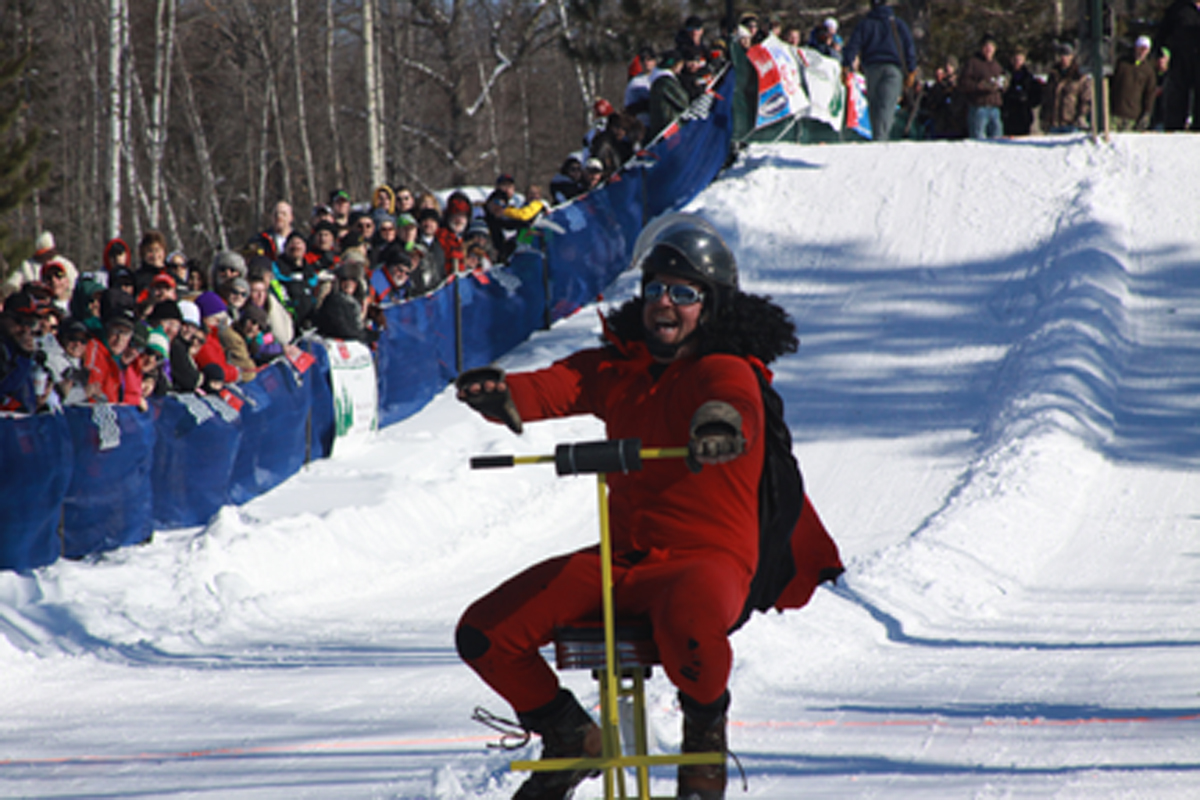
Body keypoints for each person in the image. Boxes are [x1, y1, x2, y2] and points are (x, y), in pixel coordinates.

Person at [454, 214, 841, 800]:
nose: (666, 302)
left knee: (689, 621)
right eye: (657, 287)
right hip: (625, 558)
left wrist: (718, 425)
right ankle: (570, 736)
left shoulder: (724, 367)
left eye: (684, 293)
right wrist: (504, 395)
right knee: (486, 633)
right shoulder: (622, 368)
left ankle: (704, 731)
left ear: (711, 306)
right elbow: (560, 384)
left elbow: (732, 399)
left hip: (707, 560)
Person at [842, 0, 917, 143]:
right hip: (893, 69)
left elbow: (853, 45)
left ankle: (877, 139)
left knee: (875, 105)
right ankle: (880, 141)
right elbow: (909, 47)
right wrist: (911, 69)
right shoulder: (898, 24)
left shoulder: (865, 24)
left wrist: (846, 65)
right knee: (887, 106)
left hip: (872, 69)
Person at [1154, 0, 1200, 131]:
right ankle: (1174, 134)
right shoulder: (1178, 9)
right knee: (1176, 102)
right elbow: (1161, 35)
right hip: (1180, 61)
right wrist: (1162, 54)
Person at [959, 33, 1005, 139]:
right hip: (979, 107)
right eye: (986, 46)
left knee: (998, 140)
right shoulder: (973, 63)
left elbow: (1004, 81)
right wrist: (978, 86)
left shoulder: (997, 65)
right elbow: (963, 83)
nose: (989, 50)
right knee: (978, 140)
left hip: (995, 108)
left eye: (991, 47)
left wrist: (1003, 84)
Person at [1110, 36, 1159, 132]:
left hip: (1133, 117)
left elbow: (1150, 94)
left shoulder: (1149, 71)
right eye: (1140, 48)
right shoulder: (1121, 63)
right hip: (1115, 113)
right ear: (1135, 47)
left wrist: (1147, 113)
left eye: (1145, 49)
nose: (1142, 52)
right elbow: (1110, 84)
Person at [1041, 42, 1092, 133]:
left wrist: (1081, 116)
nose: (1064, 58)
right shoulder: (1053, 75)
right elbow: (1047, 98)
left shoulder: (1079, 76)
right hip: (1054, 123)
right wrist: (1044, 117)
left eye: (1067, 55)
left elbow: (1085, 99)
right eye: (1062, 55)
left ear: (1072, 56)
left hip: (1071, 123)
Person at [647, 49, 690, 140]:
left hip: (664, 130)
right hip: (670, 129)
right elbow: (684, 101)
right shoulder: (665, 82)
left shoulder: (657, 81)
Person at [1002, 46, 1042, 136]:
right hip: (1008, 115)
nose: (1017, 62)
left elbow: (1037, 96)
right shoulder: (1006, 74)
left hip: (1023, 116)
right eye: (1015, 59)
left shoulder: (1028, 77)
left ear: (1024, 60)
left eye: (1019, 59)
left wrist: (1027, 101)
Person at [484, 174, 521, 262]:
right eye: (504, 186)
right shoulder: (489, 214)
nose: (507, 189)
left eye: (509, 186)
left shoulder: (517, 207)